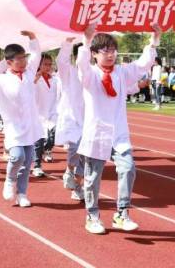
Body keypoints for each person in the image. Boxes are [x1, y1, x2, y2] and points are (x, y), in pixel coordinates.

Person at [77, 22, 160, 235]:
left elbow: (143, 64)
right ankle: (92, 215)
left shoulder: (122, 72)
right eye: (105, 51)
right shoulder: (90, 75)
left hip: (119, 133)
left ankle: (121, 213)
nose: (110, 54)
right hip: (96, 133)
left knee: (128, 168)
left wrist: (154, 40)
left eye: (113, 50)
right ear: (95, 54)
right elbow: (82, 65)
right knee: (93, 178)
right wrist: (86, 41)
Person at [0, 31, 42, 208]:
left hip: (30, 125)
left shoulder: (29, 74)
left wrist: (32, 38)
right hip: (13, 126)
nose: (23, 61)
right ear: (9, 62)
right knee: (17, 156)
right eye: (19, 59)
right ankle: (10, 179)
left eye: (24, 58)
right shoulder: (1, 79)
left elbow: (37, 55)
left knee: (28, 160)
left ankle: (22, 193)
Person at [54, 38, 85, 201]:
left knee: (86, 156)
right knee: (76, 148)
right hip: (72, 118)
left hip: (90, 119)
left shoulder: (94, 72)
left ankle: (78, 186)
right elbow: (60, 60)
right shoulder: (69, 72)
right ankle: (69, 169)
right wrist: (67, 42)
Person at [32, 53, 59, 177]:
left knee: (53, 137)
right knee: (39, 141)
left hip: (52, 113)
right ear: (39, 65)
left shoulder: (55, 79)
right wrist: (34, 80)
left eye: (50, 64)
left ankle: (44, 151)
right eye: (45, 64)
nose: (48, 67)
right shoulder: (33, 78)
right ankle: (37, 165)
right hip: (38, 114)